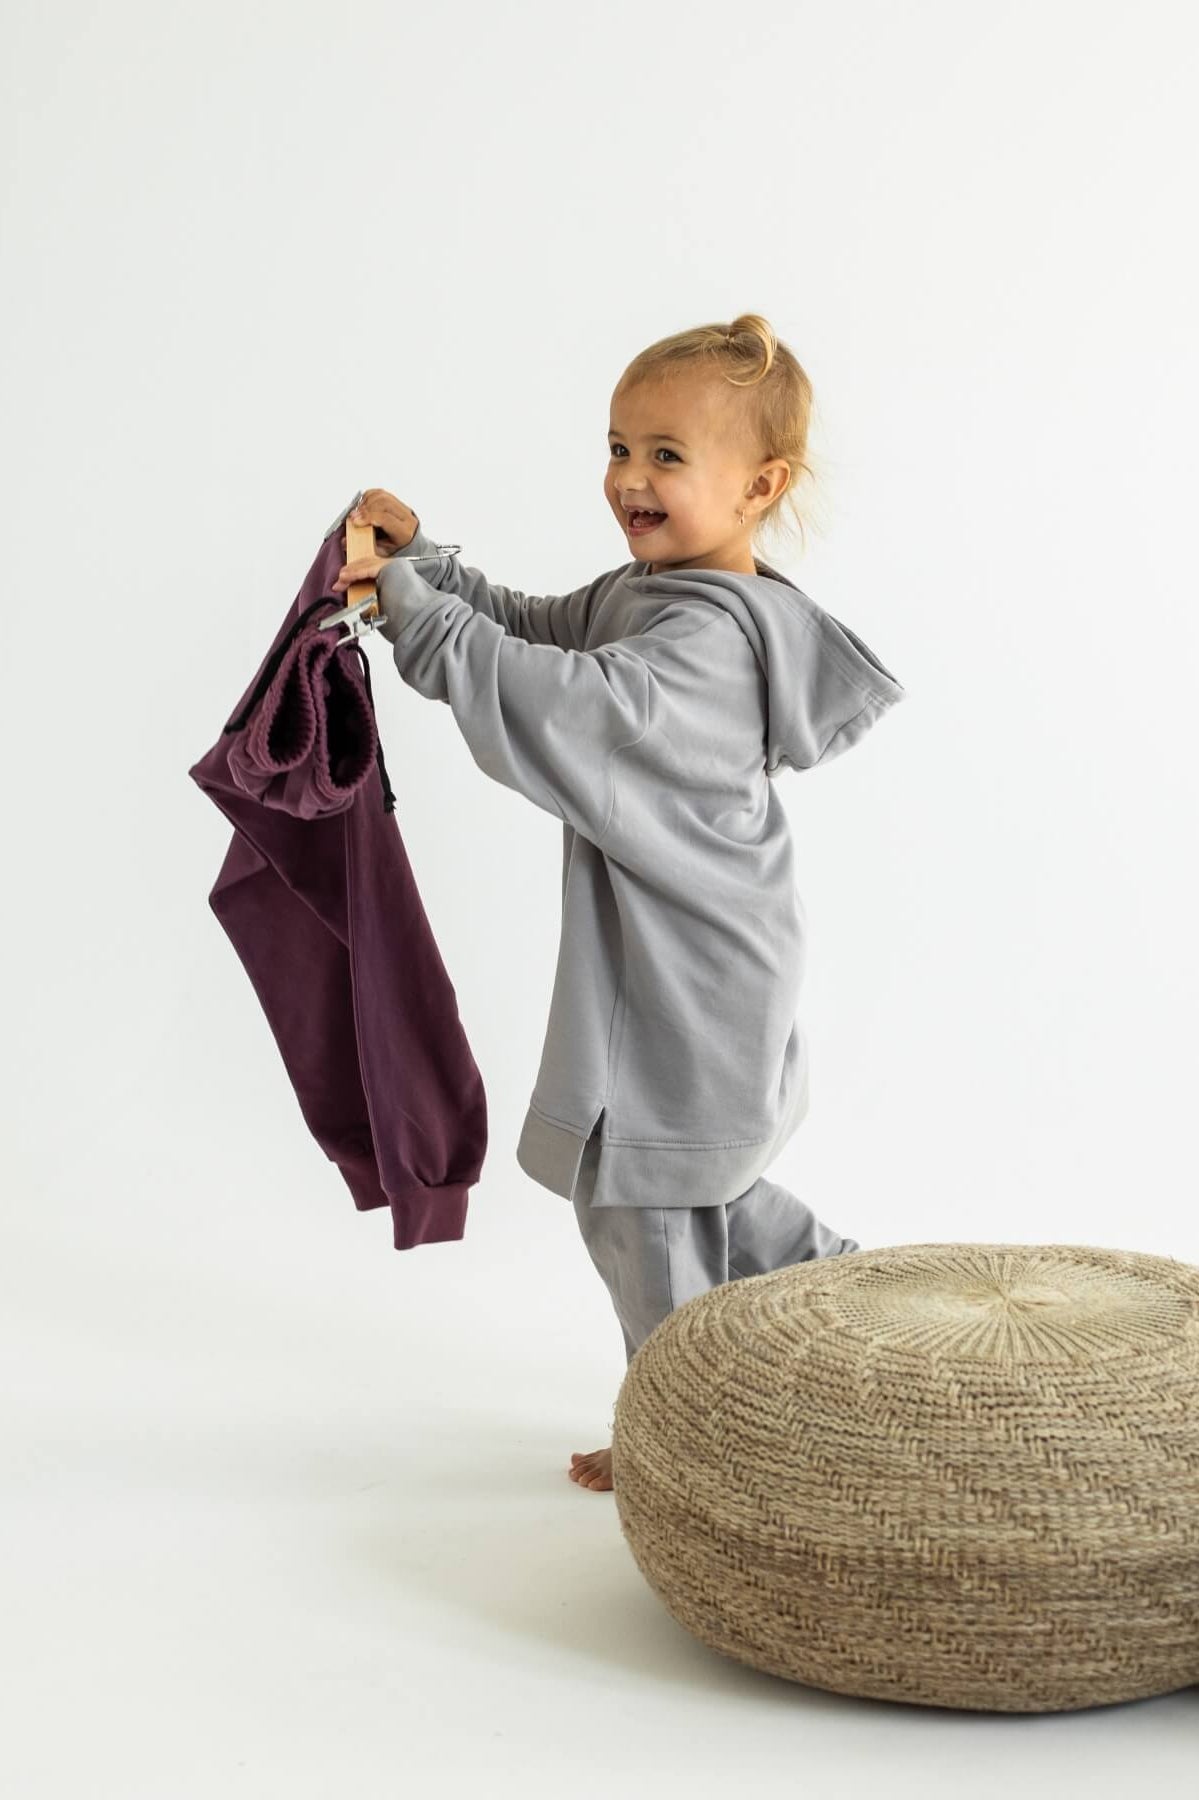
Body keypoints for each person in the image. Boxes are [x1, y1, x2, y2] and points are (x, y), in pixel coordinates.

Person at [332, 313, 907, 1493]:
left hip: (692, 984)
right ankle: (867, 1298)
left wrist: (411, 609)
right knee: (693, 1194)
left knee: (643, 1209)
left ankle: (687, 1441)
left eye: (665, 456)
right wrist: (423, 566)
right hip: (684, 967)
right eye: (617, 447)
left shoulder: (705, 647)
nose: (628, 479)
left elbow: (558, 704)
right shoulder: (654, 592)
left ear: (758, 487)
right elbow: (534, 629)